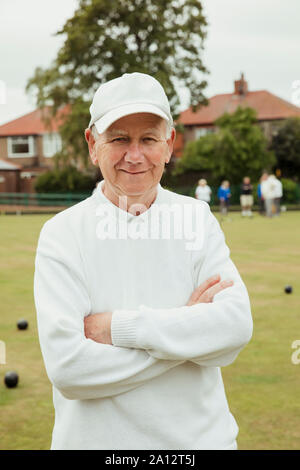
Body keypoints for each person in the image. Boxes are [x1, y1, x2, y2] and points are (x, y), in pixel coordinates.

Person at [34, 72, 252, 450]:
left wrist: (119, 329)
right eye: (119, 139)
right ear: (92, 144)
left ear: (168, 145)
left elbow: (234, 328)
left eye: (148, 139)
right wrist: (187, 336)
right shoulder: (61, 234)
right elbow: (69, 370)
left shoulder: (197, 218)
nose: (134, 156)